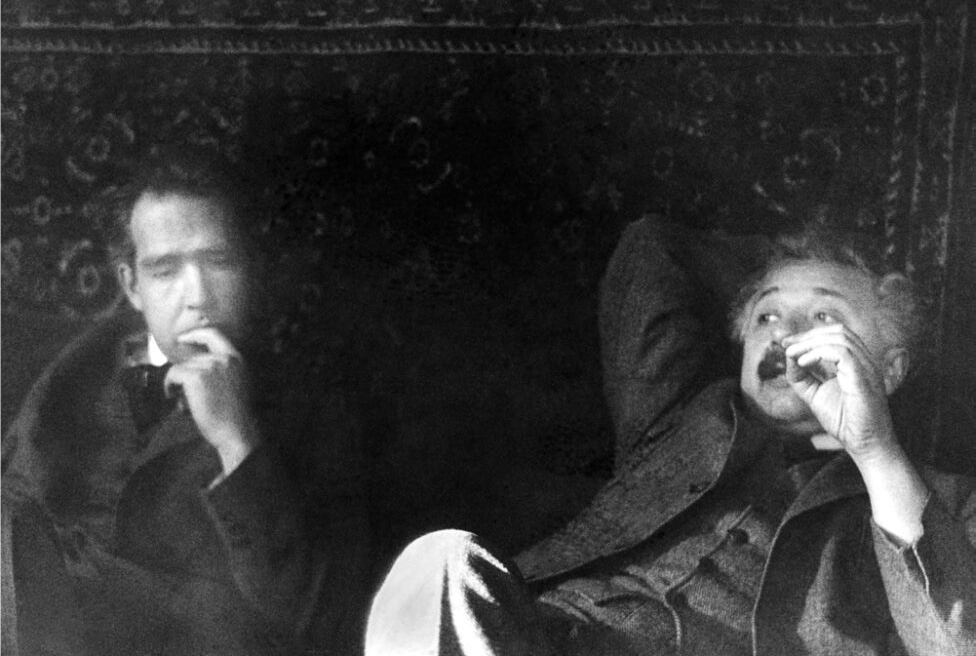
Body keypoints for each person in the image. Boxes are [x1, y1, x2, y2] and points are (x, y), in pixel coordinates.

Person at [364, 215, 976, 655]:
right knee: (442, 562)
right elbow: (652, 250)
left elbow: (958, 640)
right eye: (765, 315)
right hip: (538, 637)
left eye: (823, 316)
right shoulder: (680, 420)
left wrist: (875, 450)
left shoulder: (948, 501)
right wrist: (790, 262)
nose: (783, 333)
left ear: (889, 368)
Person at [0, 147, 368, 656]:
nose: (198, 296)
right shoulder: (77, 368)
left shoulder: (316, 406)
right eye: (165, 270)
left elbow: (319, 622)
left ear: (252, 269)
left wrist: (236, 439)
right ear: (132, 285)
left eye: (219, 262)